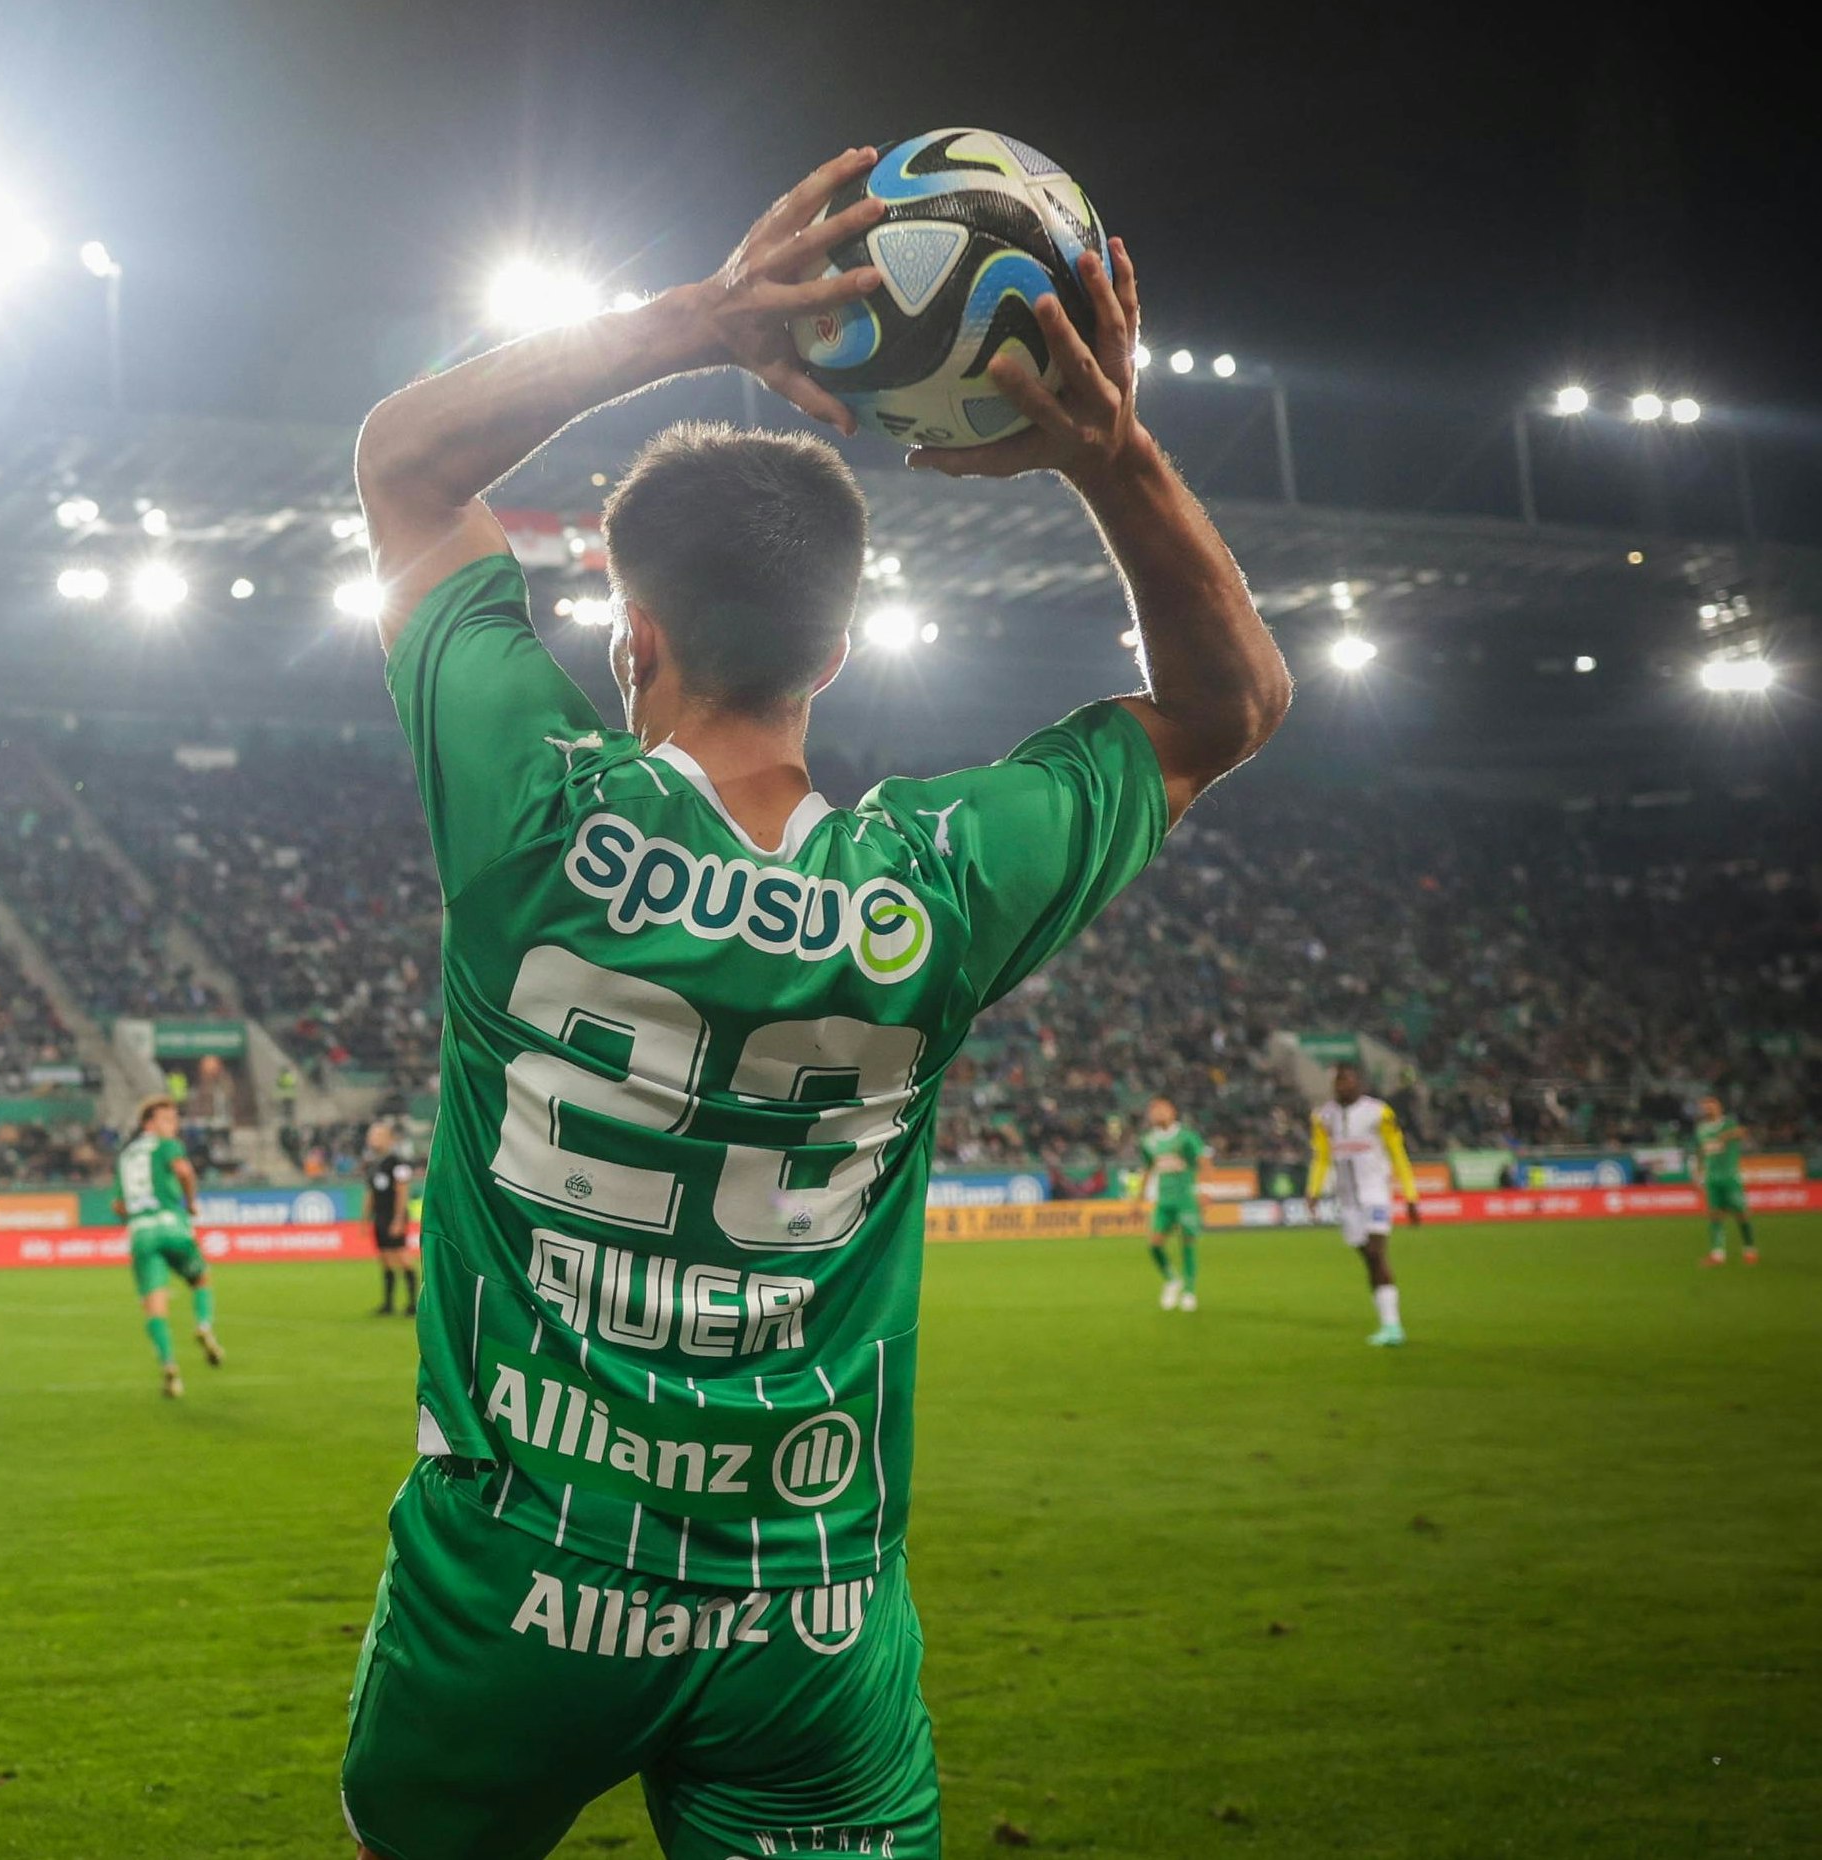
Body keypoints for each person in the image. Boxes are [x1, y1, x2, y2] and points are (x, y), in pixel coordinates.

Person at [336, 146, 1286, 1860]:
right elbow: (1226, 707)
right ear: (836, 654)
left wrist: (706, 319)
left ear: (630, 638)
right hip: (804, 1612)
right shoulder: (939, 884)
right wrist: (1110, 452)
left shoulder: (535, 816)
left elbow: (402, 464)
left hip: (512, 1591)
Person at [117, 1095, 222, 1397]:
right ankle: (204, 1325)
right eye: (166, 1120)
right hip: (171, 1225)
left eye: (175, 1120)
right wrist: (189, 1202)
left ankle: (169, 1365)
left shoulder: (125, 1156)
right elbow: (184, 1171)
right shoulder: (166, 1146)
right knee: (201, 1277)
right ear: (148, 1123)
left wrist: (139, 1212)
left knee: (154, 1305)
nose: (173, 1126)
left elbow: (118, 1204)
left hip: (140, 1233)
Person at [1309, 1063, 1418, 1346]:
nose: (1342, 1086)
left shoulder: (1379, 1113)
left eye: (1347, 1080)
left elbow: (1397, 1153)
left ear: (1360, 1083)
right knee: (1369, 1258)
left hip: (1375, 1194)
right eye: (1338, 1081)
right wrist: (1313, 1190)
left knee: (1376, 1251)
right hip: (1347, 1201)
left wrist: (1410, 1195)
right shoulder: (1323, 1116)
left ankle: (1393, 1327)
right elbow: (1322, 1157)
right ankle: (1388, 1323)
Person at [1134, 1096, 1206, 1311]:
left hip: (1186, 1199)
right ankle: (1172, 1279)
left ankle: (1190, 1292)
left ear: (1172, 1111)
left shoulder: (1186, 1137)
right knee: (1154, 1243)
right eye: (1153, 1110)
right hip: (1164, 1200)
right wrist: (1139, 1199)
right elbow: (1148, 1169)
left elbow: (1204, 1162)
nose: (1157, 1114)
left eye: (1161, 1109)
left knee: (1188, 1242)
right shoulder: (1148, 1141)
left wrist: (1206, 1191)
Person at [1691, 1093, 1757, 1266]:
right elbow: (1700, 1151)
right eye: (1704, 1105)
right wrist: (1698, 1173)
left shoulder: (1729, 1123)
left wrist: (1726, 1136)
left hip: (1730, 1177)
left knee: (1741, 1213)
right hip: (1712, 1178)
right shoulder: (1701, 1129)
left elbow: (1742, 1132)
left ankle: (1749, 1249)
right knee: (1714, 1215)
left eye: (1710, 1104)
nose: (1707, 1108)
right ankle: (1717, 1254)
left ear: (1719, 1106)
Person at [365, 1120, 420, 1317]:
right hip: (380, 1216)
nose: (372, 1139)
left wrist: (398, 1219)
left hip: (394, 1215)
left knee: (402, 1256)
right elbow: (371, 1192)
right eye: (371, 1135)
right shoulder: (373, 1164)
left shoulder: (398, 1162)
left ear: (388, 1139)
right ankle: (388, 1304)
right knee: (385, 1258)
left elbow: (402, 1191)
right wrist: (365, 1219)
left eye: (377, 1135)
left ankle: (413, 1303)